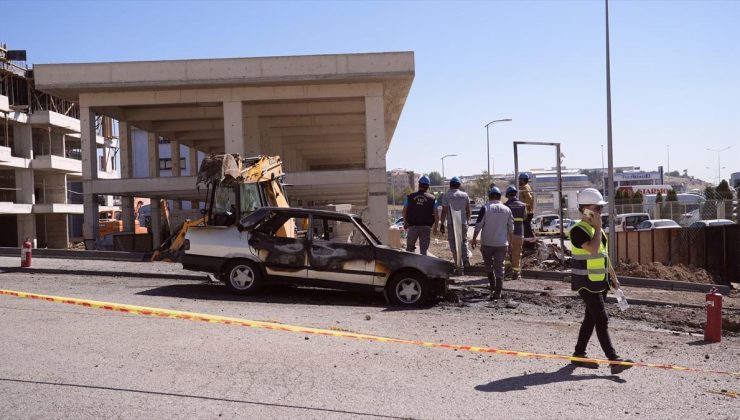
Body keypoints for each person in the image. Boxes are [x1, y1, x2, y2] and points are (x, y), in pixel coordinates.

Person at [569, 188, 632, 374]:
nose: (600, 211)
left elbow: (603, 256)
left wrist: (613, 277)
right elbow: (594, 250)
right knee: (601, 319)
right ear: (585, 209)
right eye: (597, 208)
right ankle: (614, 360)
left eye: (601, 208)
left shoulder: (596, 230)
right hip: (585, 282)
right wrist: (597, 227)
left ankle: (578, 354)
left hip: (600, 281)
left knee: (590, 319)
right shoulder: (577, 230)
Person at [471, 187, 513, 300]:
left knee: (489, 266)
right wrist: (510, 243)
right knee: (500, 267)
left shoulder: (485, 208)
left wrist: (474, 238)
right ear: (500, 196)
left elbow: (479, 224)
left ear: (490, 196)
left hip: (487, 243)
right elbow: (511, 229)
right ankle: (498, 292)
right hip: (502, 244)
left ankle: (492, 287)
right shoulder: (507, 209)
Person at [437, 176, 471, 273]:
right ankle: (465, 259)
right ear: (459, 185)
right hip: (463, 223)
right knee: (463, 241)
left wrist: (442, 224)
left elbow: (444, 211)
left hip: (452, 223)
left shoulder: (446, 196)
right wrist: (468, 221)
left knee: (454, 243)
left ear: (450, 185)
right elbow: (468, 210)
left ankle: (459, 267)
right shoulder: (465, 195)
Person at [402, 175, 438, 255]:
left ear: (419, 185)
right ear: (428, 186)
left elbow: (404, 211)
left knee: (409, 250)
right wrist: (435, 227)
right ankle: (422, 266)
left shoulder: (409, 197)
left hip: (413, 226)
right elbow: (436, 214)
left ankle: (410, 266)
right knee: (424, 251)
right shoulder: (433, 199)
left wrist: (405, 223)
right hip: (426, 227)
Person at [504, 186, 526, 280]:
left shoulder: (505, 206)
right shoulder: (522, 205)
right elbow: (525, 217)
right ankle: (516, 273)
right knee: (517, 254)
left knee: (507, 254)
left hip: (507, 234)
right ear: (516, 194)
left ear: (507, 195)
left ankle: (507, 272)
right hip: (519, 233)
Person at [518, 172, 536, 248]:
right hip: (529, 210)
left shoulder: (524, 187)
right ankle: (529, 243)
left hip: (527, 211)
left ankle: (530, 244)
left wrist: (524, 206)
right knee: (526, 227)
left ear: (523, 180)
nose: (518, 181)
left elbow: (529, 198)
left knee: (526, 227)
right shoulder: (527, 186)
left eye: (519, 179)